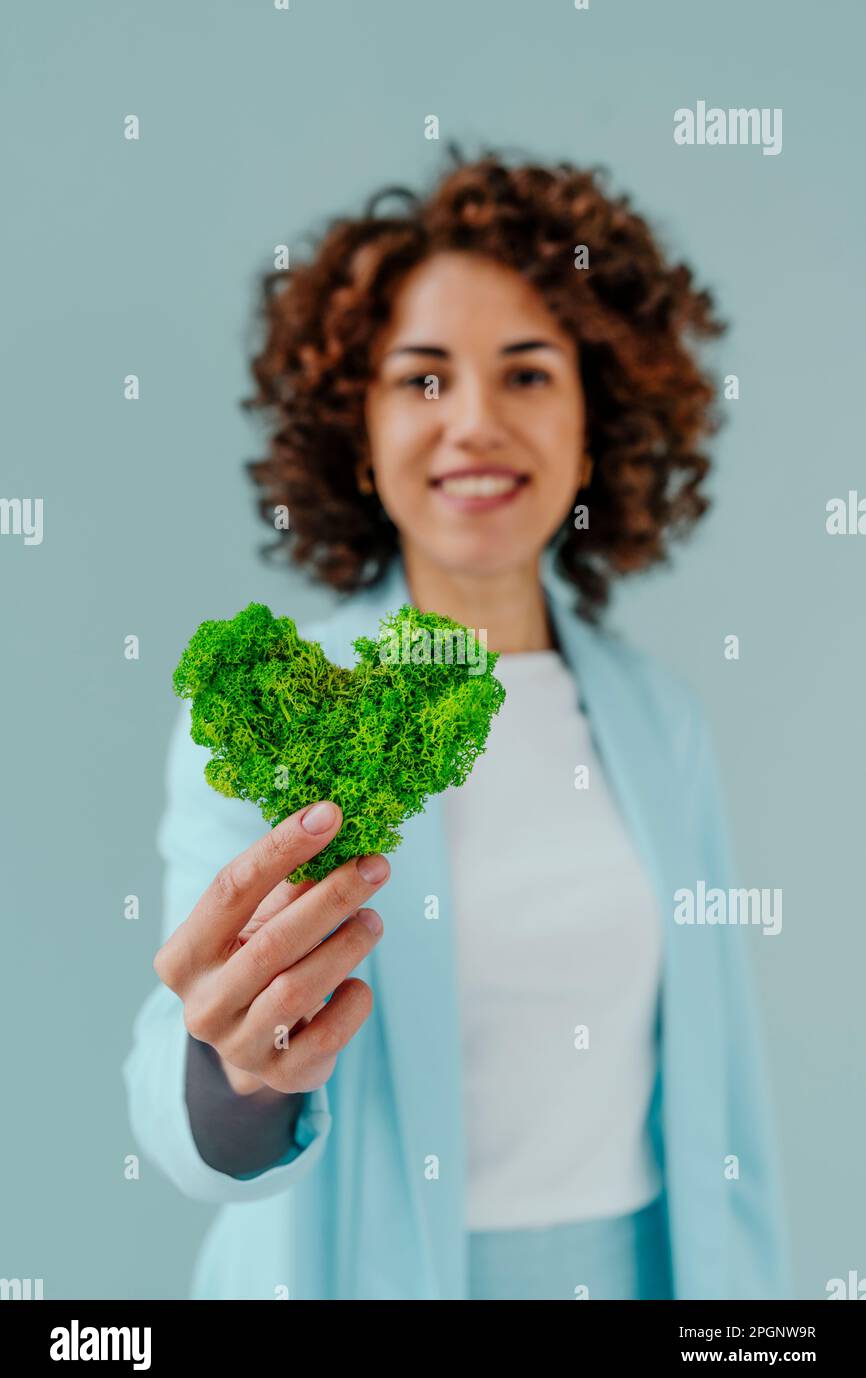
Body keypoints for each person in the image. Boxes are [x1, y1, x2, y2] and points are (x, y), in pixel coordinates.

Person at [122, 146, 792, 1301]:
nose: (472, 420)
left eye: (526, 375)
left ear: (593, 428)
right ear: (360, 435)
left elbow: (722, 1097)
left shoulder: (657, 722)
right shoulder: (286, 710)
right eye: (421, 379)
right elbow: (190, 1079)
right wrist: (230, 1069)